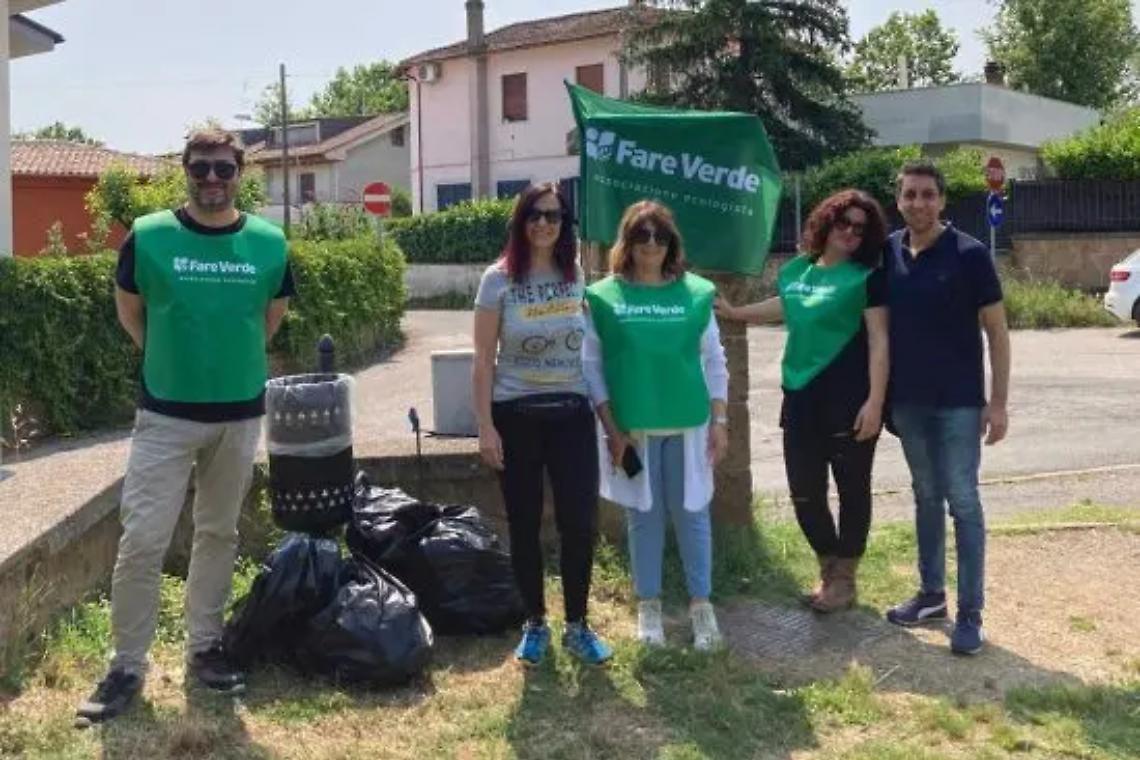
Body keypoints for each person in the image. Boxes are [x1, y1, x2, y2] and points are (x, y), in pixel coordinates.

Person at [77, 128, 295, 726]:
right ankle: (126, 666)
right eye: (200, 169)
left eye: (223, 169)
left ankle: (204, 649)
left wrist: (229, 364)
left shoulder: (269, 242)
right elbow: (130, 309)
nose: (212, 180)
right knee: (143, 538)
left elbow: (268, 318)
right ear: (186, 170)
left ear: (240, 172)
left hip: (238, 415)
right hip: (166, 416)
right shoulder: (148, 237)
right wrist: (165, 357)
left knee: (218, 534)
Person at [716, 190, 889, 613]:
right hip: (800, 398)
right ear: (826, 223)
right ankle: (827, 565)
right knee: (804, 492)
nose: (850, 232)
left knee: (852, 491)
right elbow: (785, 307)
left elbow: (881, 342)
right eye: (843, 222)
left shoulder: (866, 276)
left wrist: (875, 403)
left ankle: (844, 577)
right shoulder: (797, 271)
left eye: (859, 227)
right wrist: (736, 313)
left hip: (849, 399)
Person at [472, 182, 612, 666]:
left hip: (571, 415)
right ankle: (534, 623)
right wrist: (485, 427)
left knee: (579, 523)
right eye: (534, 215)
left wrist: (608, 420)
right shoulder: (498, 280)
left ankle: (577, 624)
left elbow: (592, 355)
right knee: (525, 524)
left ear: (564, 224)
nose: (544, 224)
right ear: (520, 221)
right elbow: (483, 361)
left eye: (553, 216)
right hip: (517, 417)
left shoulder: (576, 275)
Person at [582, 200, 729, 651]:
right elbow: (592, 367)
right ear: (627, 241)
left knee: (692, 514)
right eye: (642, 235)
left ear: (672, 243)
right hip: (633, 428)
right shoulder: (603, 297)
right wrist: (610, 428)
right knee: (643, 517)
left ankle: (701, 607)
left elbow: (714, 360)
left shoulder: (697, 292)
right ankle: (649, 607)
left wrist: (720, 420)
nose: (651, 245)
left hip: (688, 424)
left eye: (660, 237)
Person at [882, 161, 1011, 656]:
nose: (919, 203)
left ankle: (970, 614)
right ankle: (932, 595)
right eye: (910, 195)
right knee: (925, 495)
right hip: (909, 403)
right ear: (899, 201)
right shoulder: (889, 251)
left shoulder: (971, 255)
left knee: (963, 501)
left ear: (942, 201)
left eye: (928, 195)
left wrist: (996, 403)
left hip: (959, 403)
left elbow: (997, 333)